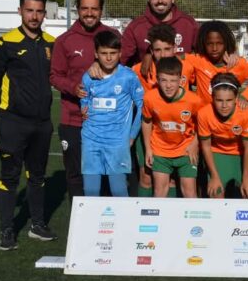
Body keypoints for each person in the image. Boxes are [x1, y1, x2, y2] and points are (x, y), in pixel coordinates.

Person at [0, 0, 57, 251]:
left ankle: (37, 224)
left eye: (39, 11)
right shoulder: (6, 43)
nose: (34, 16)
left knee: (37, 176)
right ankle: (7, 230)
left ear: (44, 14)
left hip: (42, 123)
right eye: (29, 10)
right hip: (13, 122)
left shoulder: (52, 43)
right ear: (20, 11)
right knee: (9, 176)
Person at [50, 0, 120, 201]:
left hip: (107, 120)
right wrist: (74, 88)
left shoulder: (114, 36)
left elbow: (124, 70)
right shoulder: (64, 40)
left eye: (94, 9)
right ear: (77, 9)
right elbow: (54, 76)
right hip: (74, 120)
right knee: (76, 175)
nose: (89, 13)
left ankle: (105, 219)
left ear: (101, 10)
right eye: (85, 8)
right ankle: (79, 219)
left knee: (107, 175)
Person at [132, 24, 195, 197]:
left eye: (167, 49)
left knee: (172, 179)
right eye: (158, 50)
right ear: (151, 50)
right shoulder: (139, 69)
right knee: (146, 176)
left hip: (177, 132)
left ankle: (170, 213)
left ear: (175, 48)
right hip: (150, 129)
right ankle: (145, 212)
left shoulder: (187, 66)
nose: (163, 54)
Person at [80, 31, 144, 197]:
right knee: (91, 190)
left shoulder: (128, 77)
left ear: (120, 53)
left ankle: (123, 216)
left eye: (113, 53)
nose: (108, 58)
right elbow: (84, 101)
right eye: (104, 53)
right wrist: (83, 109)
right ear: (96, 54)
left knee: (118, 190)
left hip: (117, 142)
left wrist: (132, 135)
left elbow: (142, 107)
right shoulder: (89, 77)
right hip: (91, 139)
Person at [141, 56, 201, 198]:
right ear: (157, 79)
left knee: (189, 192)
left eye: (173, 80)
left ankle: (193, 214)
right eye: (164, 80)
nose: (168, 85)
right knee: (160, 191)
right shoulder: (150, 98)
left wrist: (195, 144)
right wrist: (148, 148)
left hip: (186, 149)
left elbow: (203, 125)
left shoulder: (194, 101)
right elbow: (147, 122)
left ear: (180, 79)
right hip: (160, 149)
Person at [197, 72, 248, 199]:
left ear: (236, 99)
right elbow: (206, 147)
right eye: (219, 100)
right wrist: (214, 177)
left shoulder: (246, 113)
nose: (224, 105)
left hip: (241, 153)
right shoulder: (204, 114)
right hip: (217, 153)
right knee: (216, 192)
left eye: (229, 100)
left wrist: (246, 178)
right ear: (212, 98)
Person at [121, 0, 198, 68]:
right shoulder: (136, 26)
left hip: (184, 76)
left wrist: (180, 58)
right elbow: (120, 59)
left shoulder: (189, 23)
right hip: (147, 77)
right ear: (149, 0)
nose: (160, 1)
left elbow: (202, 56)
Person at [187, 20, 248, 104]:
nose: (214, 48)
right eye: (209, 44)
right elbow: (177, 60)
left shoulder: (237, 63)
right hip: (203, 111)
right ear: (203, 43)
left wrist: (245, 96)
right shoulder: (198, 59)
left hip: (229, 112)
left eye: (219, 43)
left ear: (226, 43)